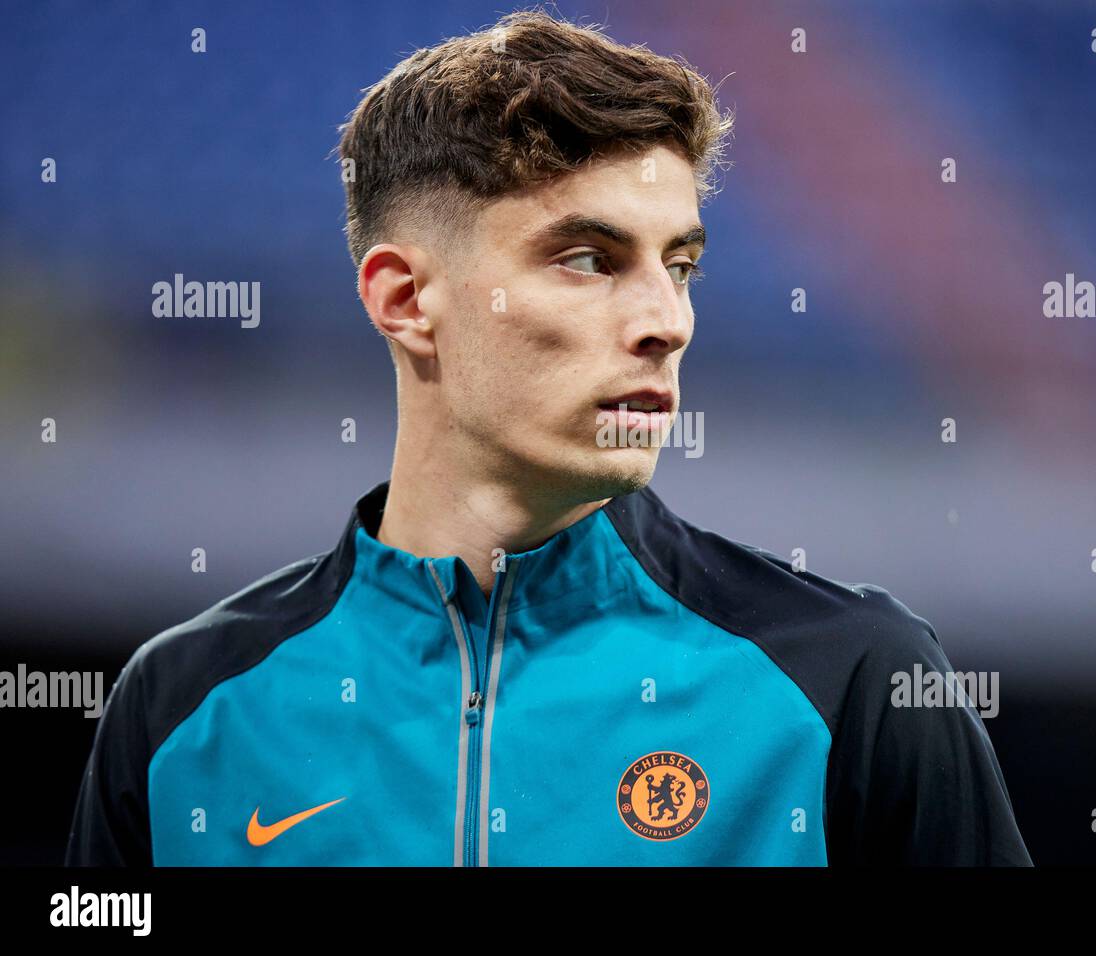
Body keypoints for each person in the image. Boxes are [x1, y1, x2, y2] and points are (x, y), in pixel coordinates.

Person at [66, 9, 1031, 866]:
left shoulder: (854, 681)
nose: (668, 320)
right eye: (588, 259)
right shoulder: (182, 712)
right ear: (404, 300)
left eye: (681, 263)